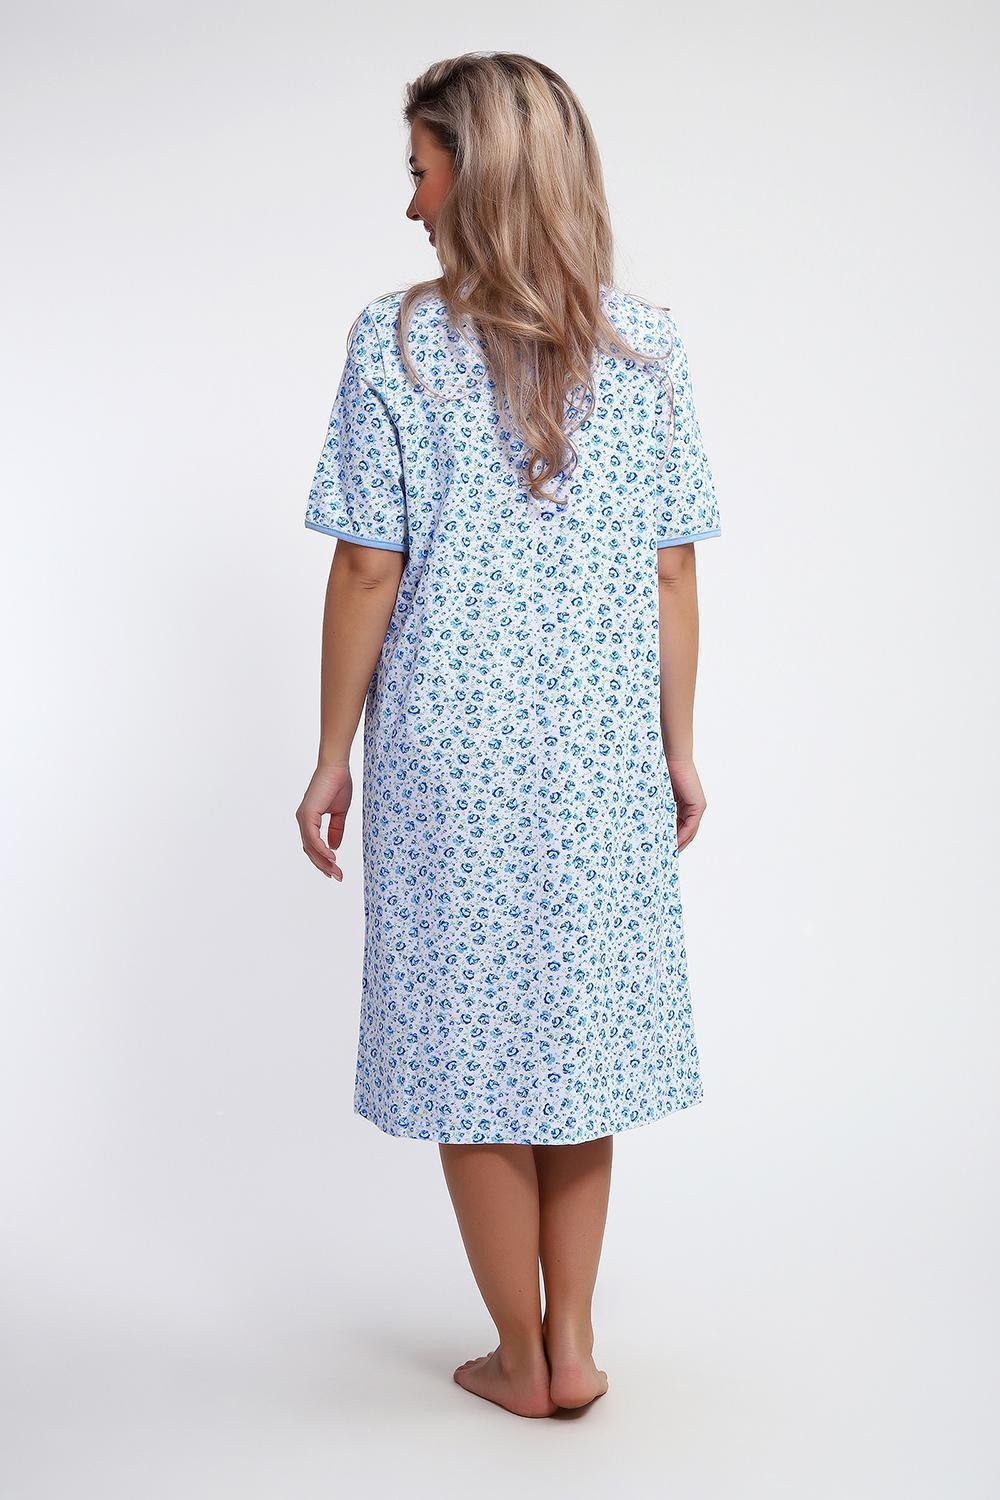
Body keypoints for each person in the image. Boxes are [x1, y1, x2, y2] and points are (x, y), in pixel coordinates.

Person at [295, 51, 722, 1419]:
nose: (410, 203)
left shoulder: (396, 342)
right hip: (600, 758)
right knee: (577, 1043)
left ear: (472, 179)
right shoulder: (646, 347)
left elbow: (366, 567)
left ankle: (517, 1356)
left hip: (449, 761)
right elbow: (672, 571)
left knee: (471, 1056)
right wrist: (676, 747)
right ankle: (574, 1346)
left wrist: (330, 754)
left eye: (420, 172)